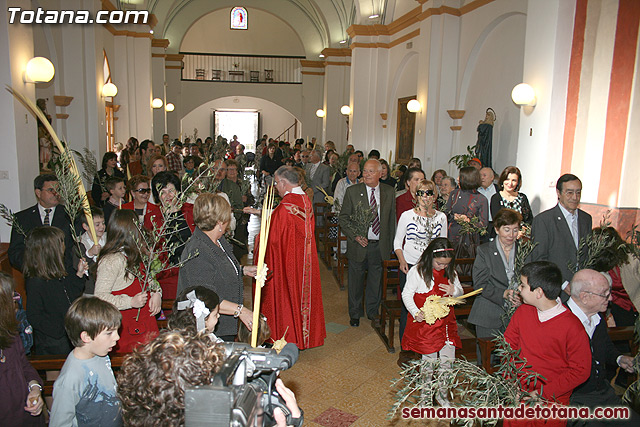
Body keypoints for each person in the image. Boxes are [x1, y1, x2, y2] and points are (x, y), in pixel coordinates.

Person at [503, 261, 591, 427]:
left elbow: (581, 370)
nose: (519, 290)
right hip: (518, 395)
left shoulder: (572, 326)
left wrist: (543, 393)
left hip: (550, 402)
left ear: (538, 292)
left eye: (522, 285)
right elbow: (507, 348)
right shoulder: (522, 312)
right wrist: (510, 384)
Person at [258, 166, 326, 349]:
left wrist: (259, 240)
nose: (276, 189)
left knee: (287, 297)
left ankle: (289, 337)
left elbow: (271, 241)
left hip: (287, 262)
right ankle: (304, 337)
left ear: (283, 183)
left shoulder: (285, 208)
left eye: (277, 184)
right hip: (305, 261)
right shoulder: (305, 200)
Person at [177, 193, 257, 342]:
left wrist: (243, 270)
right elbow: (204, 298)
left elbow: (217, 268)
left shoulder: (216, 241)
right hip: (209, 327)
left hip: (223, 323)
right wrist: (241, 311)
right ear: (220, 222)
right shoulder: (198, 250)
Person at [564, 269, 637, 426]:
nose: (610, 298)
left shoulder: (596, 317)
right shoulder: (560, 322)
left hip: (603, 394)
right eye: (605, 294)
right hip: (574, 400)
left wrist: (619, 359)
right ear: (584, 297)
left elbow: (605, 346)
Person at [401, 238, 462, 405]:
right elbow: (406, 294)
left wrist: (454, 290)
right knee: (429, 362)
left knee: (447, 362)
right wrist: (415, 312)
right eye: (439, 263)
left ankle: (442, 395)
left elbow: (460, 293)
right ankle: (425, 396)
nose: (442, 267)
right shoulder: (418, 271)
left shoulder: (450, 272)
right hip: (427, 325)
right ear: (430, 257)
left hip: (447, 324)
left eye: (446, 264)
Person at [94, 209, 161, 353]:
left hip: (145, 326)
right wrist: (130, 302)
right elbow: (100, 297)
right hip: (128, 331)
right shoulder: (111, 260)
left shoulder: (137, 253)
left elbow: (150, 280)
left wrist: (157, 293)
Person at [339, 159, 396, 327]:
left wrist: (391, 244)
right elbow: (343, 217)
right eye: (365, 171)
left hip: (379, 244)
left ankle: (372, 311)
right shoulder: (353, 191)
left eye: (371, 171)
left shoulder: (389, 191)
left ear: (380, 173)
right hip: (359, 244)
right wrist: (356, 235)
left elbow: (391, 219)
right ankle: (355, 313)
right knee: (355, 280)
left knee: (375, 280)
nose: (367, 174)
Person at [49, 297, 122, 427]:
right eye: (109, 333)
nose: (117, 337)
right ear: (86, 337)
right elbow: (59, 423)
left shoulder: (100, 354)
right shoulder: (70, 379)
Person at [395, 180, 447, 341]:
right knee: (409, 306)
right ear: (416, 196)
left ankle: (426, 341)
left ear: (434, 196)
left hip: (432, 268)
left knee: (430, 305)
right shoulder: (407, 216)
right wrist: (402, 260)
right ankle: (406, 343)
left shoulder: (441, 217)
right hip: (410, 266)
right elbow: (397, 241)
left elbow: (443, 244)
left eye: (429, 193)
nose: (425, 197)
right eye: (421, 193)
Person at [24, 227, 87, 355]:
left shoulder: (59, 272)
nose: (64, 245)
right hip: (52, 340)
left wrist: (79, 274)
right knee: (55, 373)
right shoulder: (36, 281)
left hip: (67, 333)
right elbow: (34, 315)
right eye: (61, 242)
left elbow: (71, 295)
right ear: (50, 250)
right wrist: (59, 330)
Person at [469, 209, 522, 345]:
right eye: (507, 230)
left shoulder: (524, 250)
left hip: (518, 312)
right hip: (489, 310)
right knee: (488, 360)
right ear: (497, 229)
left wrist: (522, 297)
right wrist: (503, 294)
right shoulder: (485, 251)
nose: (511, 235)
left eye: (515, 230)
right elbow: (480, 284)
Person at [0, 272, 45, 427]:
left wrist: (35, 388)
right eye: (12, 298)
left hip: (26, 416)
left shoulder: (10, 332)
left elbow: (24, 365)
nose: (16, 302)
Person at [531, 174, 592, 284]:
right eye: (569, 193)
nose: (574, 197)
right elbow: (540, 259)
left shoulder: (586, 219)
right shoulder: (544, 220)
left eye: (578, 192)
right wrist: (563, 284)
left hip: (581, 286)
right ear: (558, 193)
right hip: (556, 286)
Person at [145, 171, 195, 299]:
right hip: (166, 274)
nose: (168, 195)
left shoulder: (191, 211)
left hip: (193, 269)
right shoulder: (152, 218)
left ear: (178, 191)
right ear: (157, 195)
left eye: (171, 191)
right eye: (163, 192)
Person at [9, 174, 74, 271]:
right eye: (51, 190)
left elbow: (74, 248)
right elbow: (15, 252)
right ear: (38, 193)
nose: (56, 193)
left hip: (64, 273)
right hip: (34, 275)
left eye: (58, 190)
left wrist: (60, 266)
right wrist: (34, 266)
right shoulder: (22, 218)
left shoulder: (70, 215)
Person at [444, 167, 488, 258]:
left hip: (469, 242)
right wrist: (454, 216)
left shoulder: (481, 199)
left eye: (460, 177)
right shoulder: (454, 194)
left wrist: (469, 221)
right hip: (451, 237)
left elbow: (484, 224)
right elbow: (445, 213)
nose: (457, 179)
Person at [490, 166, 533, 230]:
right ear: (502, 180)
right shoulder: (496, 198)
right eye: (507, 179)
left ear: (518, 183)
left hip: (521, 236)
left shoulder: (522, 197)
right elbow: (497, 221)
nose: (510, 183)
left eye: (514, 180)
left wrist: (523, 230)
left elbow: (529, 220)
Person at [77, 207, 107, 295]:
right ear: (85, 226)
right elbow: (78, 267)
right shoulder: (80, 243)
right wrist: (89, 253)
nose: (102, 227)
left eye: (103, 223)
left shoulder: (109, 238)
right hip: (91, 290)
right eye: (97, 224)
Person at [477, 167, 499, 239]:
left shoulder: (498, 190)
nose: (482, 178)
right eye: (480, 175)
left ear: (492, 177)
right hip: (478, 225)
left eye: (484, 175)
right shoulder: (475, 191)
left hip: (493, 225)